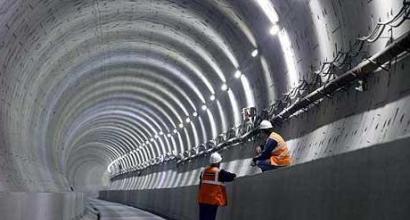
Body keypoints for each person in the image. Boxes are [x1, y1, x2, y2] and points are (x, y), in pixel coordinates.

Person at [198, 152, 236, 220]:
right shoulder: (219, 172)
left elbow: (200, 185)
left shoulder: (203, 172)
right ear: (218, 162)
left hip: (202, 199)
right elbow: (231, 177)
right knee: (210, 218)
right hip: (212, 201)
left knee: (202, 218)